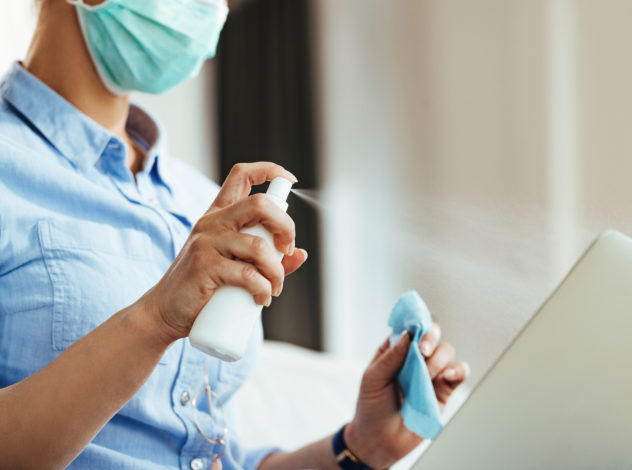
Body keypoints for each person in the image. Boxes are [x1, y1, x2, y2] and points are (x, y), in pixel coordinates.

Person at [0, 0, 469, 469]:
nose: (214, 8)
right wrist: (154, 320)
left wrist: (362, 447)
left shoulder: (197, 199)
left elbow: (216, 455)